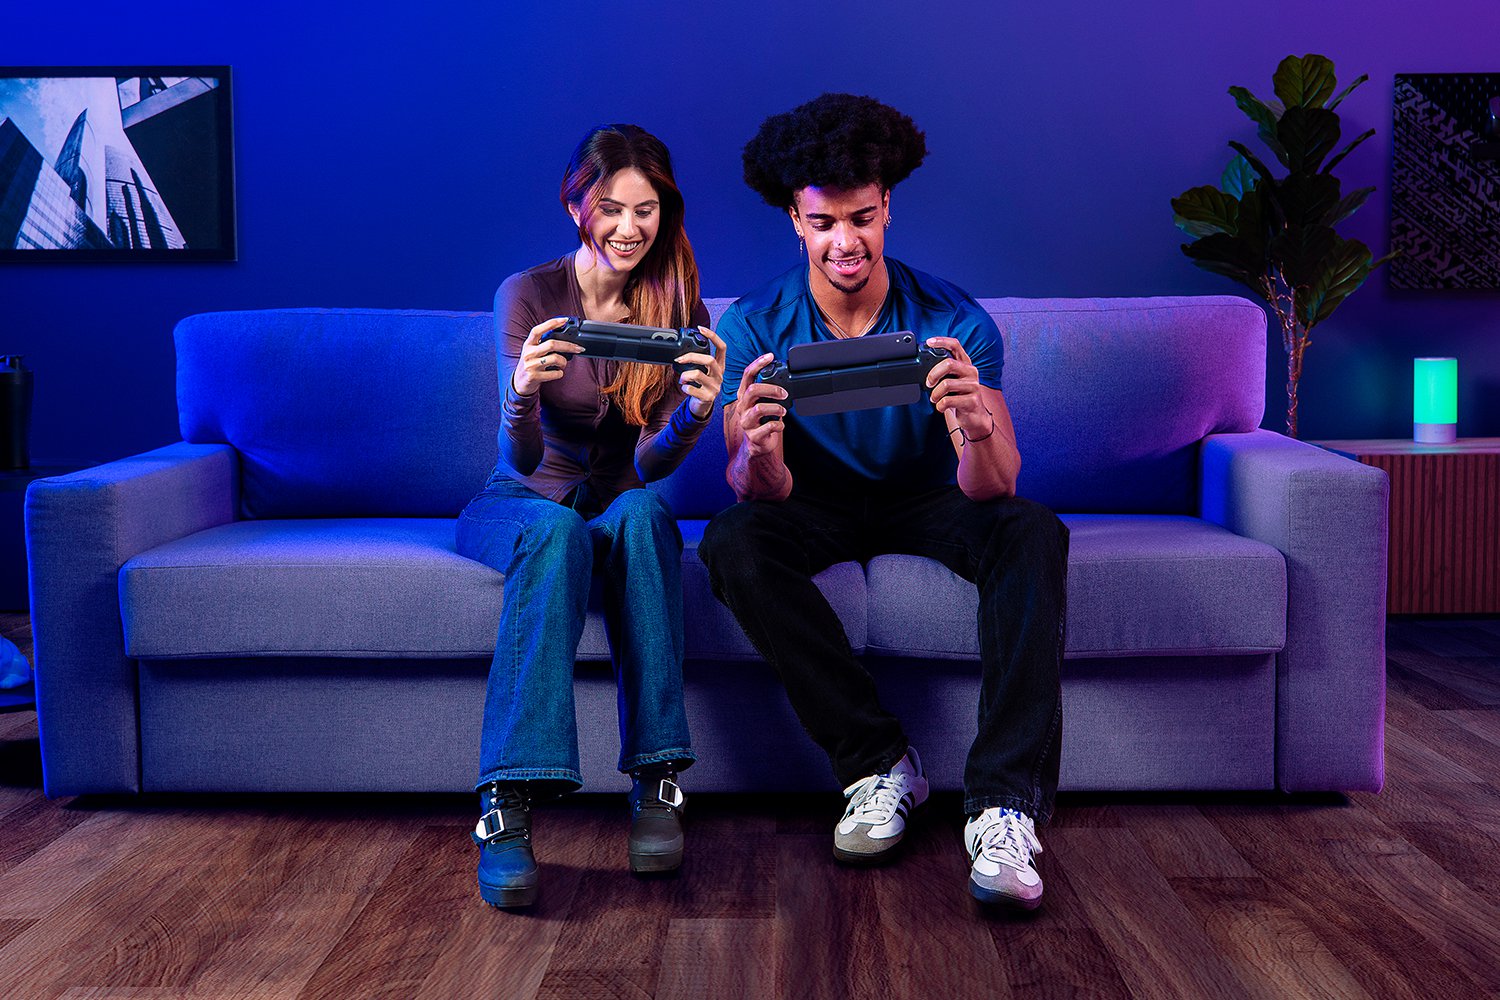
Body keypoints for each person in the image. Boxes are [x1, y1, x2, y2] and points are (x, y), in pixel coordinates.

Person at [698, 94, 1068, 910]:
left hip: (927, 497)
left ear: (888, 206)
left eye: (862, 218)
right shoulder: (756, 325)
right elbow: (757, 493)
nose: (845, 242)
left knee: (1032, 530)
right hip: (813, 501)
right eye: (823, 223)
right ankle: (878, 765)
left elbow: (996, 486)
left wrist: (975, 425)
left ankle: (1005, 804)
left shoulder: (954, 317)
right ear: (795, 222)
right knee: (732, 538)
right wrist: (758, 450)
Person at [457, 123, 726, 909]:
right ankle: (505, 804)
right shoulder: (529, 294)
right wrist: (521, 395)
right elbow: (519, 460)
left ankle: (658, 781)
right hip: (520, 502)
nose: (628, 228)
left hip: (611, 508)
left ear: (666, 212)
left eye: (646, 210)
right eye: (610, 208)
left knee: (644, 513)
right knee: (556, 528)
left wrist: (693, 417)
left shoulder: (677, 305)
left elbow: (649, 467)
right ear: (576, 206)